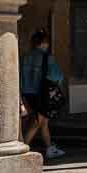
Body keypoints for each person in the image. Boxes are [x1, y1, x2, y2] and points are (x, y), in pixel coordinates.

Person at [20, 29, 65, 160]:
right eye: (47, 42)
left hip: (27, 93)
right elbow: (57, 76)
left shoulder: (26, 57)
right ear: (44, 43)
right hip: (42, 94)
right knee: (37, 123)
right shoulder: (47, 57)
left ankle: (50, 148)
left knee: (43, 122)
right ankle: (23, 148)